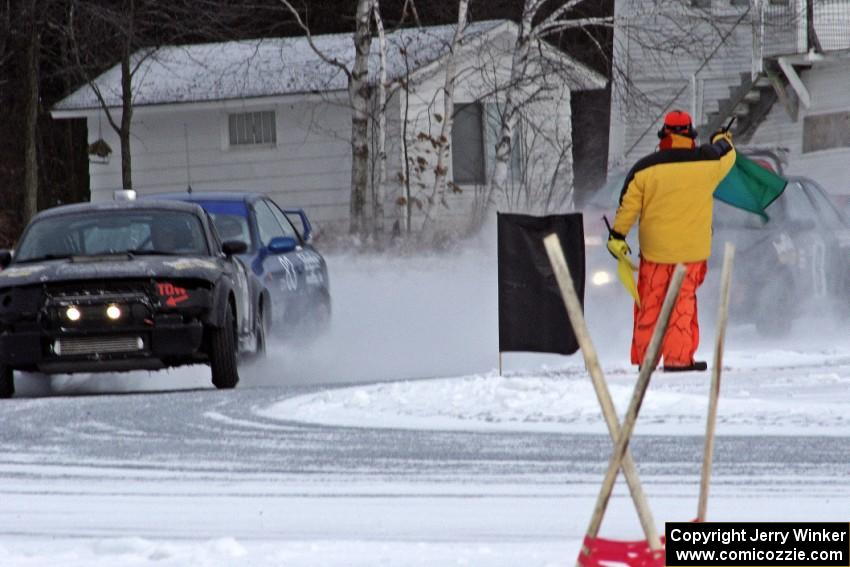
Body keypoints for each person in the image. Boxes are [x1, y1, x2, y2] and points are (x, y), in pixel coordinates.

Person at [607, 110, 736, 372]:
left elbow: (628, 207)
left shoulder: (645, 169)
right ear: (690, 134)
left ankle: (648, 358)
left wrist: (617, 236)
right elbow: (728, 153)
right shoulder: (708, 162)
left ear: (663, 134)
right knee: (682, 302)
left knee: (651, 303)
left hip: (655, 251)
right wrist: (722, 137)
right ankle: (678, 359)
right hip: (692, 252)